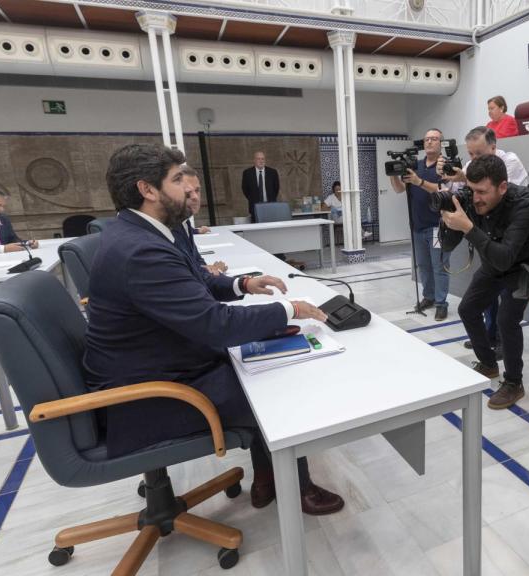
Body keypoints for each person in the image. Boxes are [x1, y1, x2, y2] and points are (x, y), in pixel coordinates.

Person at [84, 143, 344, 515]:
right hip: (147, 397)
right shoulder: (140, 250)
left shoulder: (142, 234)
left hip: (161, 365)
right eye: (177, 180)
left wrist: (241, 285)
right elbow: (215, 325)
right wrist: (291, 308)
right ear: (148, 190)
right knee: (278, 387)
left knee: (261, 358)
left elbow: (195, 284)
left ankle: (269, 480)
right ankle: (294, 488)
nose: (189, 190)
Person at [440, 154, 529, 409]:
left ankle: (514, 382)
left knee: (506, 319)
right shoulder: (471, 200)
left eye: (482, 191)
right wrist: (447, 219)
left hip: (526, 266)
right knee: (467, 309)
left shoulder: (524, 203)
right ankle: (489, 364)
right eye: (471, 190)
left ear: (502, 187)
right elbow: (448, 245)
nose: (475, 198)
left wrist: (468, 227)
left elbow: (505, 257)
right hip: (495, 261)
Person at [446, 126, 529, 359]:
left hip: (511, 236)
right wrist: (454, 181)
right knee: (483, 298)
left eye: (479, 154)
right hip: (487, 233)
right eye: (470, 154)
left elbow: (501, 193)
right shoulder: (472, 165)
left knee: (507, 303)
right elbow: (460, 194)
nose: (473, 160)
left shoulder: (509, 161)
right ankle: (488, 337)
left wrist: (466, 179)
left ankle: (504, 342)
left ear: (493, 147)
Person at [390, 128, 451, 320]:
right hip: (417, 227)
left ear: (441, 143)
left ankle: (441, 303)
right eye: (427, 139)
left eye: (434, 139)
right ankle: (429, 297)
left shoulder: (445, 165)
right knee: (423, 266)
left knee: (439, 265)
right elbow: (400, 189)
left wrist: (418, 181)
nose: (430, 142)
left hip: (437, 227)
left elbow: (443, 189)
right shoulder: (414, 165)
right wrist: (393, 174)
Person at [178, 165, 225, 276]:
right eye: (187, 193)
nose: (195, 197)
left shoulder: (185, 221)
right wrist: (216, 271)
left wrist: (209, 268)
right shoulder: (170, 228)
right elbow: (188, 274)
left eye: (197, 190)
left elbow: (196, 261)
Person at [240, 150, 279, 222]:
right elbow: (245, 189)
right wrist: (252, 199)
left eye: (262, 159)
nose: (261, 161)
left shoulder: (272, 172)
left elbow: (276, 188)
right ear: (254, 160)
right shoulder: (247, 173)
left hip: (270, 205)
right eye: (258, 159)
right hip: (255, 207)